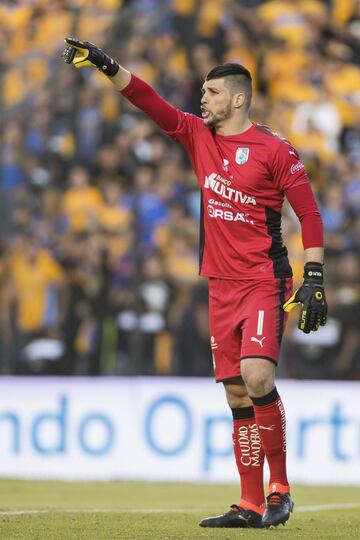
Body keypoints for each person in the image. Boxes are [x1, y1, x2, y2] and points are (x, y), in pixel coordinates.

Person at [61, 38, 328, 528]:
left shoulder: (274, 150)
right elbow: (147, 100)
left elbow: (308, 213)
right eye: (202, 92)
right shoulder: (194, 135)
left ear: (238, 99)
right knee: (235, 396)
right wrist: (107, 64)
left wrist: (314, 273)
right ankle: (248, 503)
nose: (201, 99)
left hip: (264, 280)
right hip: (220, 286)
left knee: (257, 376)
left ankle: (280, 490)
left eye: (210, 92)